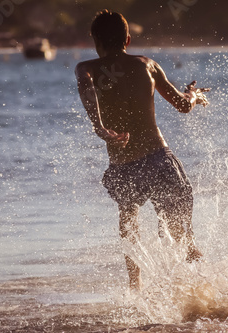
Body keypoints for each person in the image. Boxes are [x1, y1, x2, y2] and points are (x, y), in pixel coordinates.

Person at [75, 10, 209, 290]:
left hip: (124, 166)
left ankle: (135, 287)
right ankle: (201, 294)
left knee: (128, 218)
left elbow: (87, 88)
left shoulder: (87, 68)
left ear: (95, 41)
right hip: (159, 159)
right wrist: (194, 95)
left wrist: (100, 128)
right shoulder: (147, 65)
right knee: (182, 235)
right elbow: (183, 105)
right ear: (128, 38)